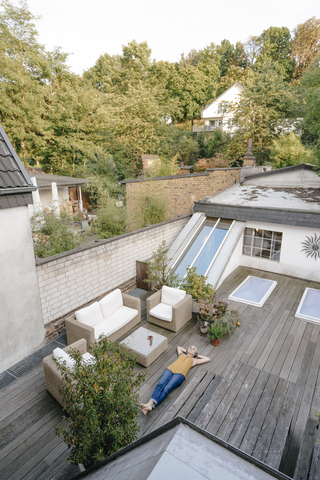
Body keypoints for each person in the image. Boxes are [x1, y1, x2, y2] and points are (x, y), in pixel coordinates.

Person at [141, 345, 210, 415]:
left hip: (179, 375)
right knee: (160, 385)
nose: (191, 349)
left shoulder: (194, 360)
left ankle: (151, 406)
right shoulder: (181, 355)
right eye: (190, 348)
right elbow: (178, 347)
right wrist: (187, 351)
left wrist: (196, 355)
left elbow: (207, 359)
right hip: (169, 370)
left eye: (193, 349)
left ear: (194, 352)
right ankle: (149, 404)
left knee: (166, 389)